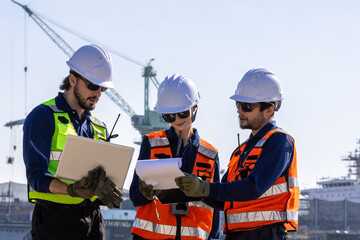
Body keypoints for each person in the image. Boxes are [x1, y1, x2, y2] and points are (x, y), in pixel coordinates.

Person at [176, 68, 299, 240]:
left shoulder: (279, 141)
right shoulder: (242, 152)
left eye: (247, 106)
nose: (239, 111)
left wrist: (205, 187)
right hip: (237, 235)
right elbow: (222, 200)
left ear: (269, 110)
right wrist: (197, 190)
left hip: (265, 235)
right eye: (238, 104)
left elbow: (253, 187)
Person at [23, 44, 123, 240]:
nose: (98, 93)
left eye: (102, 88)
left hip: (94, 220)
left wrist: (105, 188)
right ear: (72, 79)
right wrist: (70, 189)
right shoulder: (43, 117)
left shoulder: (99, 128)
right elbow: (35, 177)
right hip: (54, 221)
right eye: (93, 86)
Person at [130, 74, 221, 240]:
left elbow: (217, 205)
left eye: (182, 113)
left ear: (194, 108)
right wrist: (145, 193)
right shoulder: (151, 143)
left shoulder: (210, 154)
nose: (177, 120)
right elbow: (135, 196)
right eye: (170, 116)